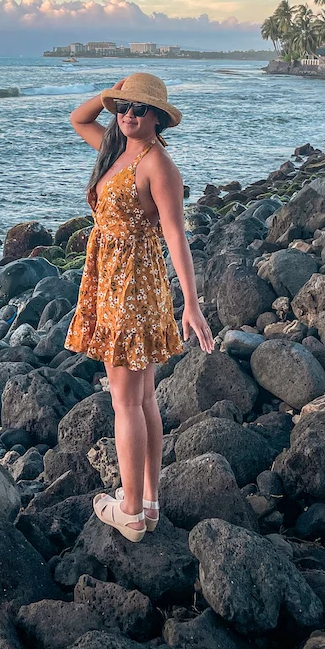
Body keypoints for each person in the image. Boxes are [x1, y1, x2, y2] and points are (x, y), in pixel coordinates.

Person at [65, 72, 213, 542]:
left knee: (125, 400)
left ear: (159, 118)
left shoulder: (158, 166)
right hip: (115, 281)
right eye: (123, 108)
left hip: (131, 287)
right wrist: (113, 95)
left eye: (140, 109)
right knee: (143, 398)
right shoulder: (118, 148)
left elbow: (176, 236)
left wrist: (191, 302)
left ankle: (128, 510)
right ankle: (148, 502)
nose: (128, 115)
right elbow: (77, 117)